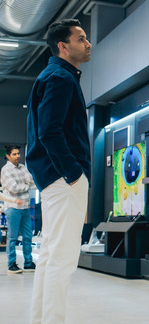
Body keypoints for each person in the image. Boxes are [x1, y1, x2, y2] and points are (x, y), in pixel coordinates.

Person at [26, 19, 92, 324]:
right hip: (64, 180)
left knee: (51, 256)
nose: (88, 44)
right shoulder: (60, 79)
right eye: (81, 39)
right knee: (62, 259)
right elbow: (49, 132)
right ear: (63, 46)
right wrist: (74, 174)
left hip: (53, 179)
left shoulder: (52, 76)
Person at [1, 144, 36, 274]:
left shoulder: (23, 168)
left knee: (27, 236)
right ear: (8, 156)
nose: (18, 156)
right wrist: (26, 185)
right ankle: (11, 264)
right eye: (14, 154)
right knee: (12, 237)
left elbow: (32, 183)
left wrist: (26, 185)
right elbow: (13, 188)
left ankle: (28, 263)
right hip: (13, 208)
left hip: (25, 207)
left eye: (18, 154)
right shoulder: (6, 170)